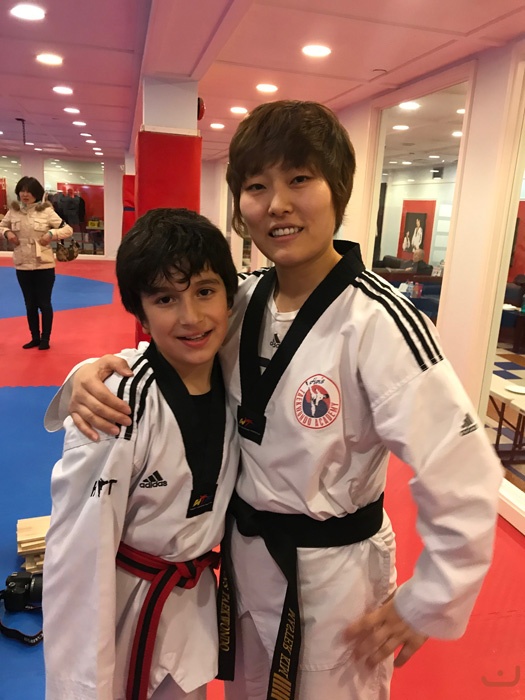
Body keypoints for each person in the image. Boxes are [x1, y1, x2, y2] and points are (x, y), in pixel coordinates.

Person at [45, 101, 503, 700]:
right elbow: (177, 341)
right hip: (241, 560)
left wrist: (432, 594)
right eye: (257, 186)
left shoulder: (379, 321)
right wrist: (87, 375)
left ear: (338, 190)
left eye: (300, 179)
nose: (278, 204)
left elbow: (463, 468)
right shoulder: (243, 298)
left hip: (333, 576)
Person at [43, 208, 240, 700]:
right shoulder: (118, 403)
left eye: (205, 291)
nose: (191, 317)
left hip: (193, 602)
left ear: (230, 295)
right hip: (123, 607)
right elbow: (77, 556)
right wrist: (79, 687)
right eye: (165, 298)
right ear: (140, 312)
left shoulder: (237, 377)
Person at [0, 176, 73, 349]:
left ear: (36, 194)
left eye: (29, 191)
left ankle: (45, 339)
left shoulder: (46, 211)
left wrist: (51, 234)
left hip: (44, 265)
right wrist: (7, 233)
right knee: (30, 304)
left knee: (44, 303)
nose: (25, 195)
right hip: (22, 264)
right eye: (22, 191)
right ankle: (34, 337)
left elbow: (67, 229)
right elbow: (2, 226)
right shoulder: (14, 211)